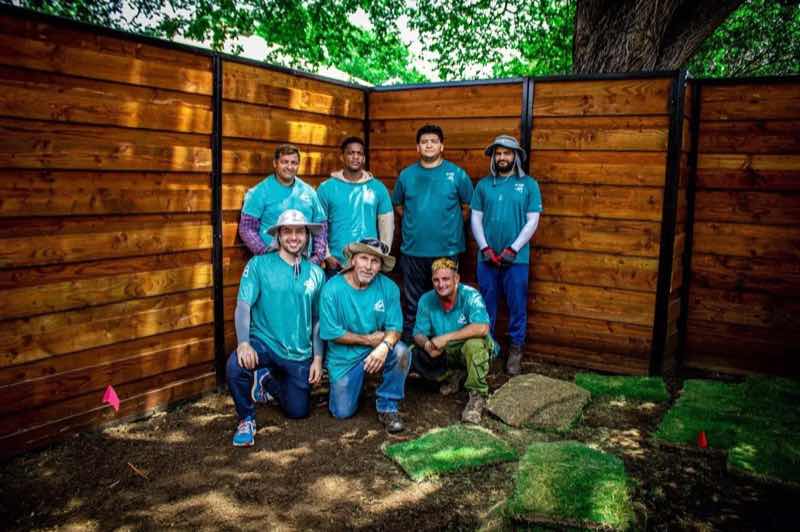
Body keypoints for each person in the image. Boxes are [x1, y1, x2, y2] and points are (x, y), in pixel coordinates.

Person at [226, 209, 325, 447]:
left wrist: (318, 359)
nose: (294, 237)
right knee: (235, 365)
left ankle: (266, 381)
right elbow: (243, 306)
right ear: (279, 235)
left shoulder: (316, 273)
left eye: (299, 231)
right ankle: (246, 419)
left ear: (307, 235)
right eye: (287, 231)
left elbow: (317, 319)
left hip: (298, 352)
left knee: (298, 411)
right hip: (264, 343)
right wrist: (243, 343)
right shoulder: (259, 265)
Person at [392, 124, 473, 344]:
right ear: (418, 147)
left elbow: (467, 206)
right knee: (414, 303)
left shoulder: (456, 174)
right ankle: (412, 352)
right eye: (424, 141)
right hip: (413, 250)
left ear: (442, 146)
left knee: (445, 301)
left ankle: (445, 349)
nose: (429, 145)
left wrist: (451, 226)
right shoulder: (407, 175)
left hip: (447, 251)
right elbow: (398, 205)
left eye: (434, 141)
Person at [319, 238, 411, 433]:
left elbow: (395, 328)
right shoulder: (332, 289)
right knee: (341, 412)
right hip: (345, 358)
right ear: (353, 260)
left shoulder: (389, 288)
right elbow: (330, 331)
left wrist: (384, 346)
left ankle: (388, 405)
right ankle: (357, 385)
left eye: (375, 261)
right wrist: (368, 340)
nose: (368, 266)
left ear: (380, 266)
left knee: (402, 351)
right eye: (364, 258)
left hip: (377, 349)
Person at [470, 134, 542, 375]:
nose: (502, 157)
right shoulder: (483, 185)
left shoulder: (529, 184)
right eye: (498, 153)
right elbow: (475, 219)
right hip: (487, 258)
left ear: (516, 156)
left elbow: (533, 221)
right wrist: (485, 248)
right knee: (485, 306)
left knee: (516, 305)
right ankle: (487, 350)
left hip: (517, 259)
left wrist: (513, 249)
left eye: (507, 153)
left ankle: (515, 350)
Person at [411, 258, 495, 424]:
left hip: (472, 349)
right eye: (436, 280)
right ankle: (453, 375)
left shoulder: (470, 295)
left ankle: (477, 396)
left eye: (446, 279)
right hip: (446, 352)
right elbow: (418, 333)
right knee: (414, 351)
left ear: (456, 279)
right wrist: (427, 344)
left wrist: (445, 337)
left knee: (474, 345)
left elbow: (482, 328)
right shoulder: (426, 300)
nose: (441, 284)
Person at [238, 143, 327, 265]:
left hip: (305, 263)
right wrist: (265, 253)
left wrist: (317, 257)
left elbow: (321, 226)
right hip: (272, 263)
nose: (289, 167)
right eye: (285, 162)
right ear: (275, 163)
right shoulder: (259, 192)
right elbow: (247, 228)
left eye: (294, 163)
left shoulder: (309, 192)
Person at [317, 137, 394, 277]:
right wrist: (326, 255)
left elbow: (387, 224)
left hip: (368, 263)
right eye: (351, 153)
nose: (355, 157)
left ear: (364, 158)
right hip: (336, 263)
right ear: (342, 157)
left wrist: (382, 255)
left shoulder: (378, 188)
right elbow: (319, 224)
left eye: (359, 154)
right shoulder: (326, 188)